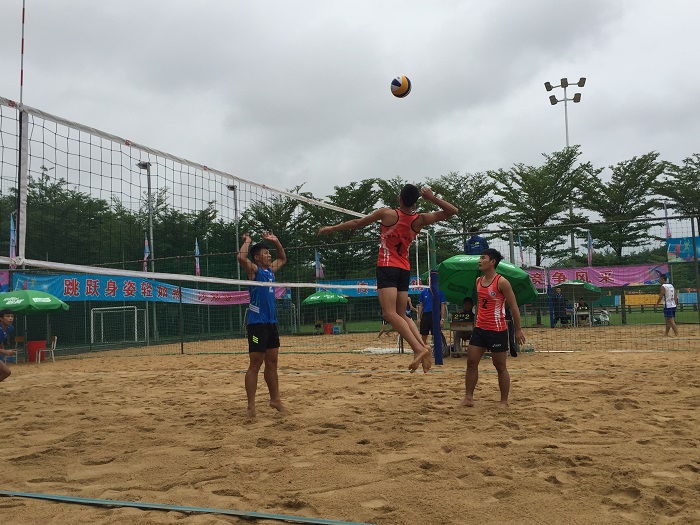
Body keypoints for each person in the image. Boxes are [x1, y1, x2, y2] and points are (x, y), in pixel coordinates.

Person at [319, 184, 458, 373]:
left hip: (387, 267)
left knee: (389, 314)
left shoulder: (387, 214)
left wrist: (333, 228)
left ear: (400, 198)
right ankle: (422, 346)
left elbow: (357, 223)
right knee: (401, 314)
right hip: (404, 269)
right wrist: (432, 198)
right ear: (415, 202)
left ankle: (418, 348)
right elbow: (452, 211)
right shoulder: (420, 219)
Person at [459, 249, 526, 408]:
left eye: (483, 258)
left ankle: (504, 401)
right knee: (471, 362)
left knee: (500, 366)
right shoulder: (478, 281)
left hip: (497, 330)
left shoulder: (502, 282)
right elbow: (481, 304)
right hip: (480, 329)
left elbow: (514, 307)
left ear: (492, 262)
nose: (479, 260)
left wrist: (518, 329)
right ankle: (468, 398)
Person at [237, 232, 287, 417]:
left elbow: (283, 258)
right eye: (266, 253)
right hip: (257, 325)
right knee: (255, 364)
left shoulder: (270, 272)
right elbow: (241, 257)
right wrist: (248, 242)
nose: (269, 255)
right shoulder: (254, 271)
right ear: (257, 258)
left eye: (269, 252)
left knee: (272, 363)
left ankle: (275, 400)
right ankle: (251, 406)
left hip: (271, 324)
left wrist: (276, 241)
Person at [0, 309, 16, 382]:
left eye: (12, 316)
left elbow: (1, 340)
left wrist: (3, 353)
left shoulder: (10, 328)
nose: (10, 318)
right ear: (1, 318)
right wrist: (5, 351)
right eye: (7, 316)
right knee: (6, 372)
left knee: (5, 372)